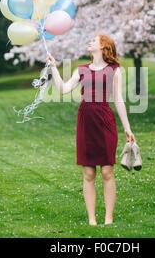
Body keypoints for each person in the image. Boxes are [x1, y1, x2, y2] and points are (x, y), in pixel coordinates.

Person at [47, 34, 136, 226]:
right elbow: (63, 89)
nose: (90, 42)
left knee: (107, 172)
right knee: (88, 173)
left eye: (94, 40)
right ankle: (92, 220)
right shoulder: (81, 70)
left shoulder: (115, 70)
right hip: (85, 121)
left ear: (104, 47)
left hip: (104, 121)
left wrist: (127, 128)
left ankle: (109, 218)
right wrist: (54, 68)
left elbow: (118, 100)